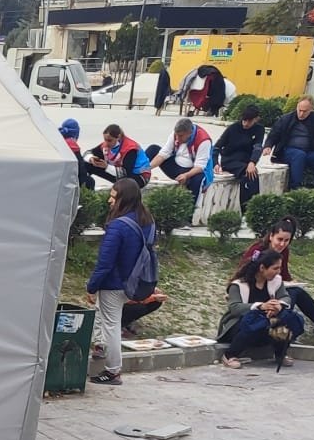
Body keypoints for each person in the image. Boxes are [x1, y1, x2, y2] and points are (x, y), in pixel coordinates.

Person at [83, 178, 156, 387]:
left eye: (113, 196)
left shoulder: (117, 227)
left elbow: (105, 263)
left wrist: (92, 286)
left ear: (124, 199)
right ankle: (101, 347)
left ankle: (113, 371)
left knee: (111, 326)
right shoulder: (147, 221)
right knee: (108, 321)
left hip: (114, 284)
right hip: (135, 282)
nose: (109, 200)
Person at [233, 219, 314, 342]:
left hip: (272, 286)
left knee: (297, 291)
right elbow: (244, 273)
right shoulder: (257, 250)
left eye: (286, 241)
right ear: (271, 236)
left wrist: (290, 281)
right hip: (256, 290)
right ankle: (283, 327)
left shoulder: (284, 251)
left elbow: (283, 273)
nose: (282, 244)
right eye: (279, 239)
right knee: (292, 294)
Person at [218, 251, 305, 371]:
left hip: (265, 324)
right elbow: (235, 308)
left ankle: (280, 353)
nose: (278, 272)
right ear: (262, 268)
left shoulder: (276, 281)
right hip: (240, 326)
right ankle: (230, 354)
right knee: (254, 321)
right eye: (275, 268)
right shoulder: (238, 285)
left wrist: (278, 306)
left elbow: (286, 297)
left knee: (287, 320)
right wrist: (261, 306)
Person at [266, 95, 314, 192]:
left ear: (311, 109)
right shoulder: (286, 119)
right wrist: (268, 146)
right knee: (299, 155)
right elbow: (273, 135)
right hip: (288, 151)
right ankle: (295, 189)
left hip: (309, 151)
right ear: (297, 107)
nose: (301, 114)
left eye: (304, 111)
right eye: (299, 110)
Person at [215, 103, 264, 207]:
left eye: (249, 121)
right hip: (230, 160)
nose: (245, 123)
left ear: (256, 119)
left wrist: (253, 162)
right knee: (249, 175)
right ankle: (246, 209)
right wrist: (215, 163)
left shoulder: (259, 129)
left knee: (252, 176)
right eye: (244, 120)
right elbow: (216, 147)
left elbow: (258, 147)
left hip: (246, 161)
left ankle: (254, 206)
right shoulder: (233, 128)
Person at [154, 116, 213, 192]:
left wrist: (186, 175)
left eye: (181, 136)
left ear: (189, 133)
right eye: (176, 135)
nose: (178, 138)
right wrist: (147, 168)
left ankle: (191, 203)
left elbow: (200, 167)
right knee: (153, 149)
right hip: (176, 166)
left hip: (191, 171)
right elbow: (164, 153)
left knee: (199, 178)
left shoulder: (204, 140)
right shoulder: (176, 134)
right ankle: (141, 175)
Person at [59, 118, 90, 190]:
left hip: (59, 178)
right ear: (77, 133)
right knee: (90, 181)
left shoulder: (59, 141)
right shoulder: (72, 145)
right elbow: (81, 170)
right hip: (71, 182)